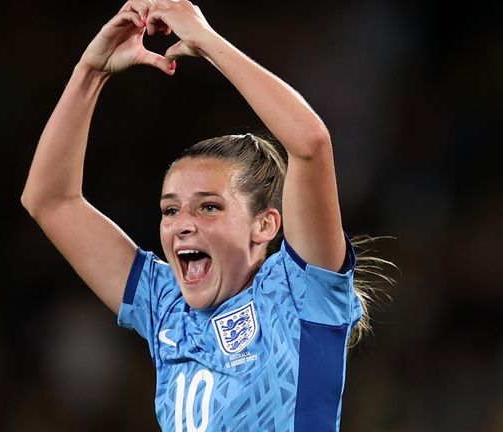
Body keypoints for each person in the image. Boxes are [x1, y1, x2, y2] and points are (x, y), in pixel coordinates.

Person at [21, 1, 393, 430]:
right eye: (170, 209)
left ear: (266, 224)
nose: (182, 224)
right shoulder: (164, 305)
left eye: (209, 206)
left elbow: (310, 143)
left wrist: (207, 41)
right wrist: (90, 72)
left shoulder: (300, 294)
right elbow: (49, 200)